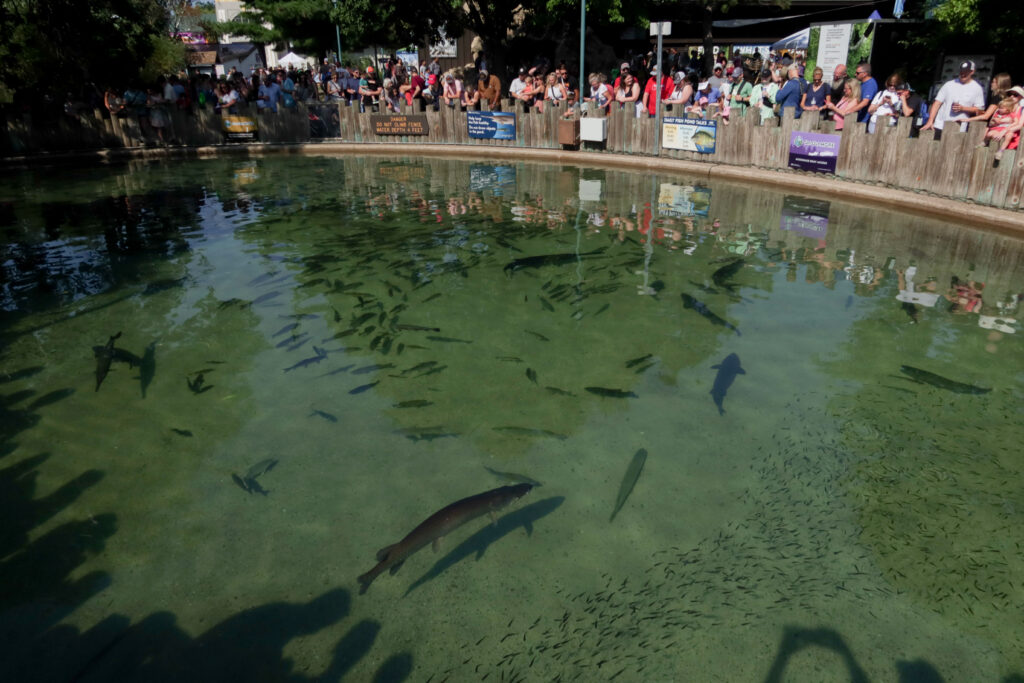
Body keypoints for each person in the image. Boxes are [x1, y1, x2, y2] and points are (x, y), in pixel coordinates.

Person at [919, 60, 985, 140]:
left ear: (972, 72)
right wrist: (930, 120)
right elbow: (937, 103)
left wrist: (963, 108)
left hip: (959, 128)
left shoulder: (977, 88)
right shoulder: (949, 84)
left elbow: (980, 110)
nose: (963, 74)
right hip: (940, 125)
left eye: (966, 72)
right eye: (961, 71)